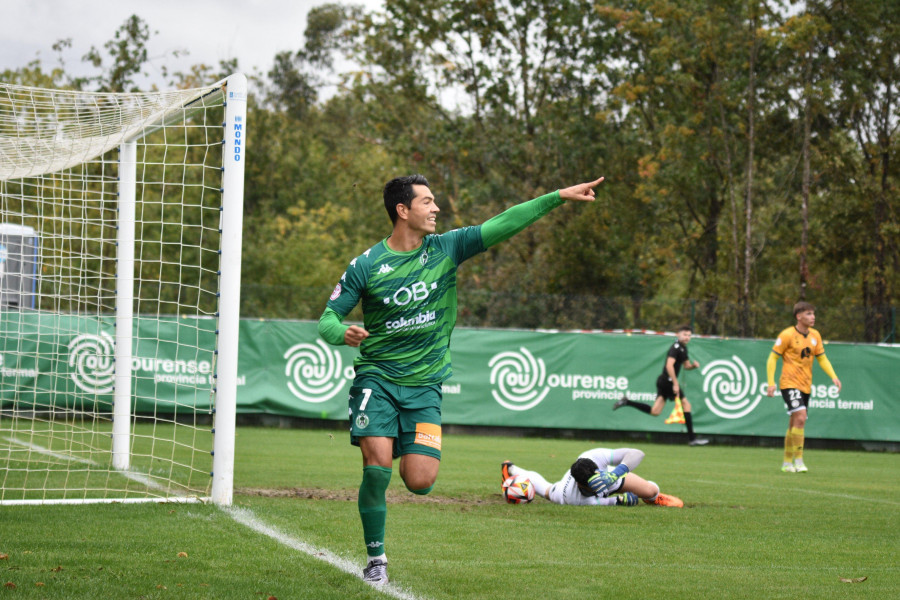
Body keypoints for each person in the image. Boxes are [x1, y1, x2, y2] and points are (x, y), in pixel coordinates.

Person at [318, 174, 604, 585]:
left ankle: (395, 439)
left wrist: (557, 197)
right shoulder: (366, 265)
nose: (436, 209)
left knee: (419, 482)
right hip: (376, 379)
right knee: (377, 467)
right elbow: (327, 319)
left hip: (425, 385)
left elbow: (504, 223)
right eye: (427, 202)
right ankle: (376, 559)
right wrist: (340, 333)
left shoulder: (447, 248)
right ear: (403, 210)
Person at [766, 301, 841, 473]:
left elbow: (821, 358)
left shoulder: (815, 335)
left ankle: (786, 463)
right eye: (808, 314)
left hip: (806, 385)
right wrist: (771, 382)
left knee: (794, 421)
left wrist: (833, 376)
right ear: (799, 316)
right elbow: (772, 358)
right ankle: (799, 460)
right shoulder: (787, 335)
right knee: (801, 417)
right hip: (789, 383)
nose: (812, 317)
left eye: (813, 314)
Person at [612, 325, 709, 445]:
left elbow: (686, 365)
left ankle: (627, 402)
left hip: (664, 381)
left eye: (689, 335)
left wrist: (693, 366)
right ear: (678, 334)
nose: (687, 337)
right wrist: (675, 383)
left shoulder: (683, 349)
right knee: (686, 404)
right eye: (684, 334)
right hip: (667, 382)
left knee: (655, 411)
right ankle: (692, 439)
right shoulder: (676, 347)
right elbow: (669, 365)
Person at [500, 447, 683, 507]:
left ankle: (654, 499)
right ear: (581, 485)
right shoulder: (573, 497)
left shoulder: (595, 456)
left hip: (609, 477)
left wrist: (614, 474)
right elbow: (611, 503)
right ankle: (512, 470)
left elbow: (637, 453)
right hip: (563, 489)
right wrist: (622, 500)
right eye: (591, 487)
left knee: (652, 490)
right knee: (547, 489)